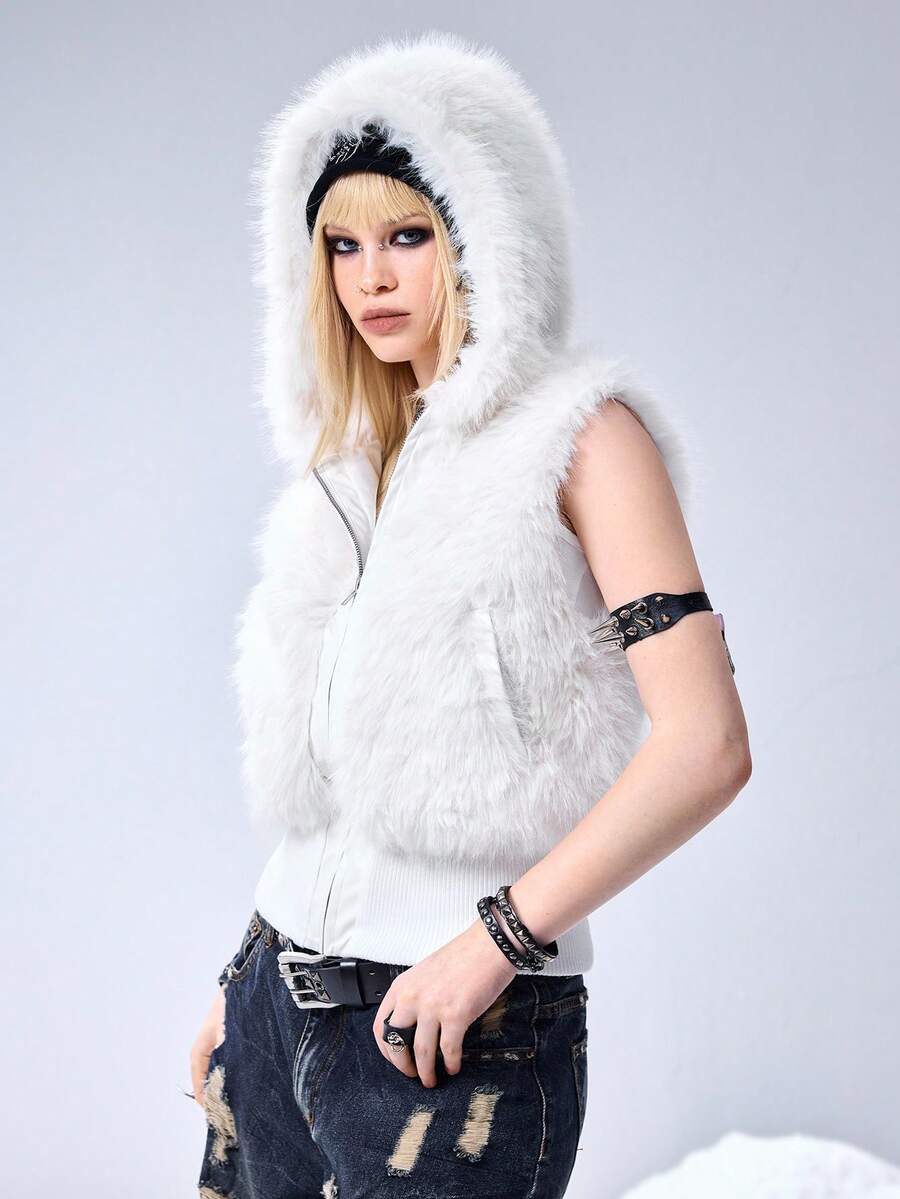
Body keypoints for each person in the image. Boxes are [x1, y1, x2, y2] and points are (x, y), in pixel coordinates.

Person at [190, 31, 751, 1199]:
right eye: (341, 245)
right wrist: (242, 977)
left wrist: (497, 939)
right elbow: (336, 789)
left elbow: (706, 743)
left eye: (408, 235)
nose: (371, 279)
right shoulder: (348, 465)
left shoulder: (585, 437)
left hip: (451, 1035)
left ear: (489, 237)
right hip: (272, 1008)